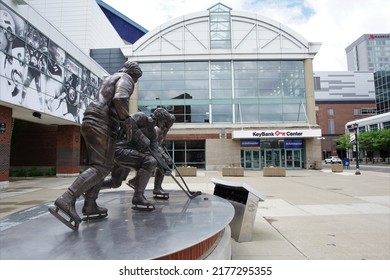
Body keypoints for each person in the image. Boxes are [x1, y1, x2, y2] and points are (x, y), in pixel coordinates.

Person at [49, 61, 143, 230]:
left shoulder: (111, 78)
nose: (134, 83)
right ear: (134, 75)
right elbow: (120, 98)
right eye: (136, 80)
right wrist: (127, 122)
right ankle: (67, 199)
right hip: (102, 123)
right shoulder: (126, 78)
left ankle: (90, 205)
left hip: (92, 120)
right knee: (101, 167)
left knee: (101, 166)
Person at [101, 108, 173, 211]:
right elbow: (127, 123)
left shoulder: (153, 133)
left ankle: (90, 189)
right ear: (159, 119)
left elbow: (155, 150)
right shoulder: (141, 117)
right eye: (164, 121)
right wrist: (141, 137)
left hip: (130, 155)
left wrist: (163, 166)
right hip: (119, 149)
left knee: (115, 182)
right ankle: (138, 197)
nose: (164, 125)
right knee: (150, 161)